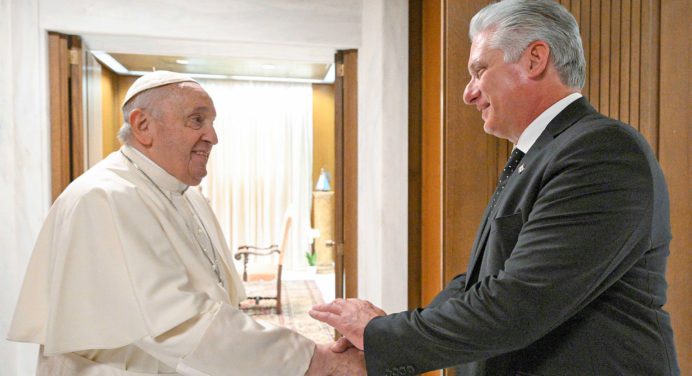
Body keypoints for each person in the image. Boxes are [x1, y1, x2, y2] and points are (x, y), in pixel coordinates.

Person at [310, 1, 679, 375]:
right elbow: (480, 282)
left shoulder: (600, 151)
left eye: (479, 70)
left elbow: (520, 302)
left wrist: (380, 335)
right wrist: (385, 336)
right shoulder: (544, 152)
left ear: (535, 59)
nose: (469, 93)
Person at [8, 70, 363, 375]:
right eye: (197, 120)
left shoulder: (185, 192)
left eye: (212, 123)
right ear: (143, 126)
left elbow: (212, 302)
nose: (213, 136)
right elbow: (177, 322)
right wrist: (314, 361)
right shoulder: (105, 197)